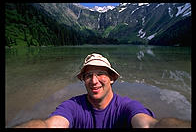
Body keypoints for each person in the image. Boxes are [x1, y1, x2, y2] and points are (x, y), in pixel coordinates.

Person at [14, 53, 191, 128]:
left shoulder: (127, 107)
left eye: (100, 74)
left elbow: (149, 124)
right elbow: (50, 125)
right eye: (88, 75)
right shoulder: (72, 106)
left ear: (112, 78)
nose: (94, 81)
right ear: (83, 80)